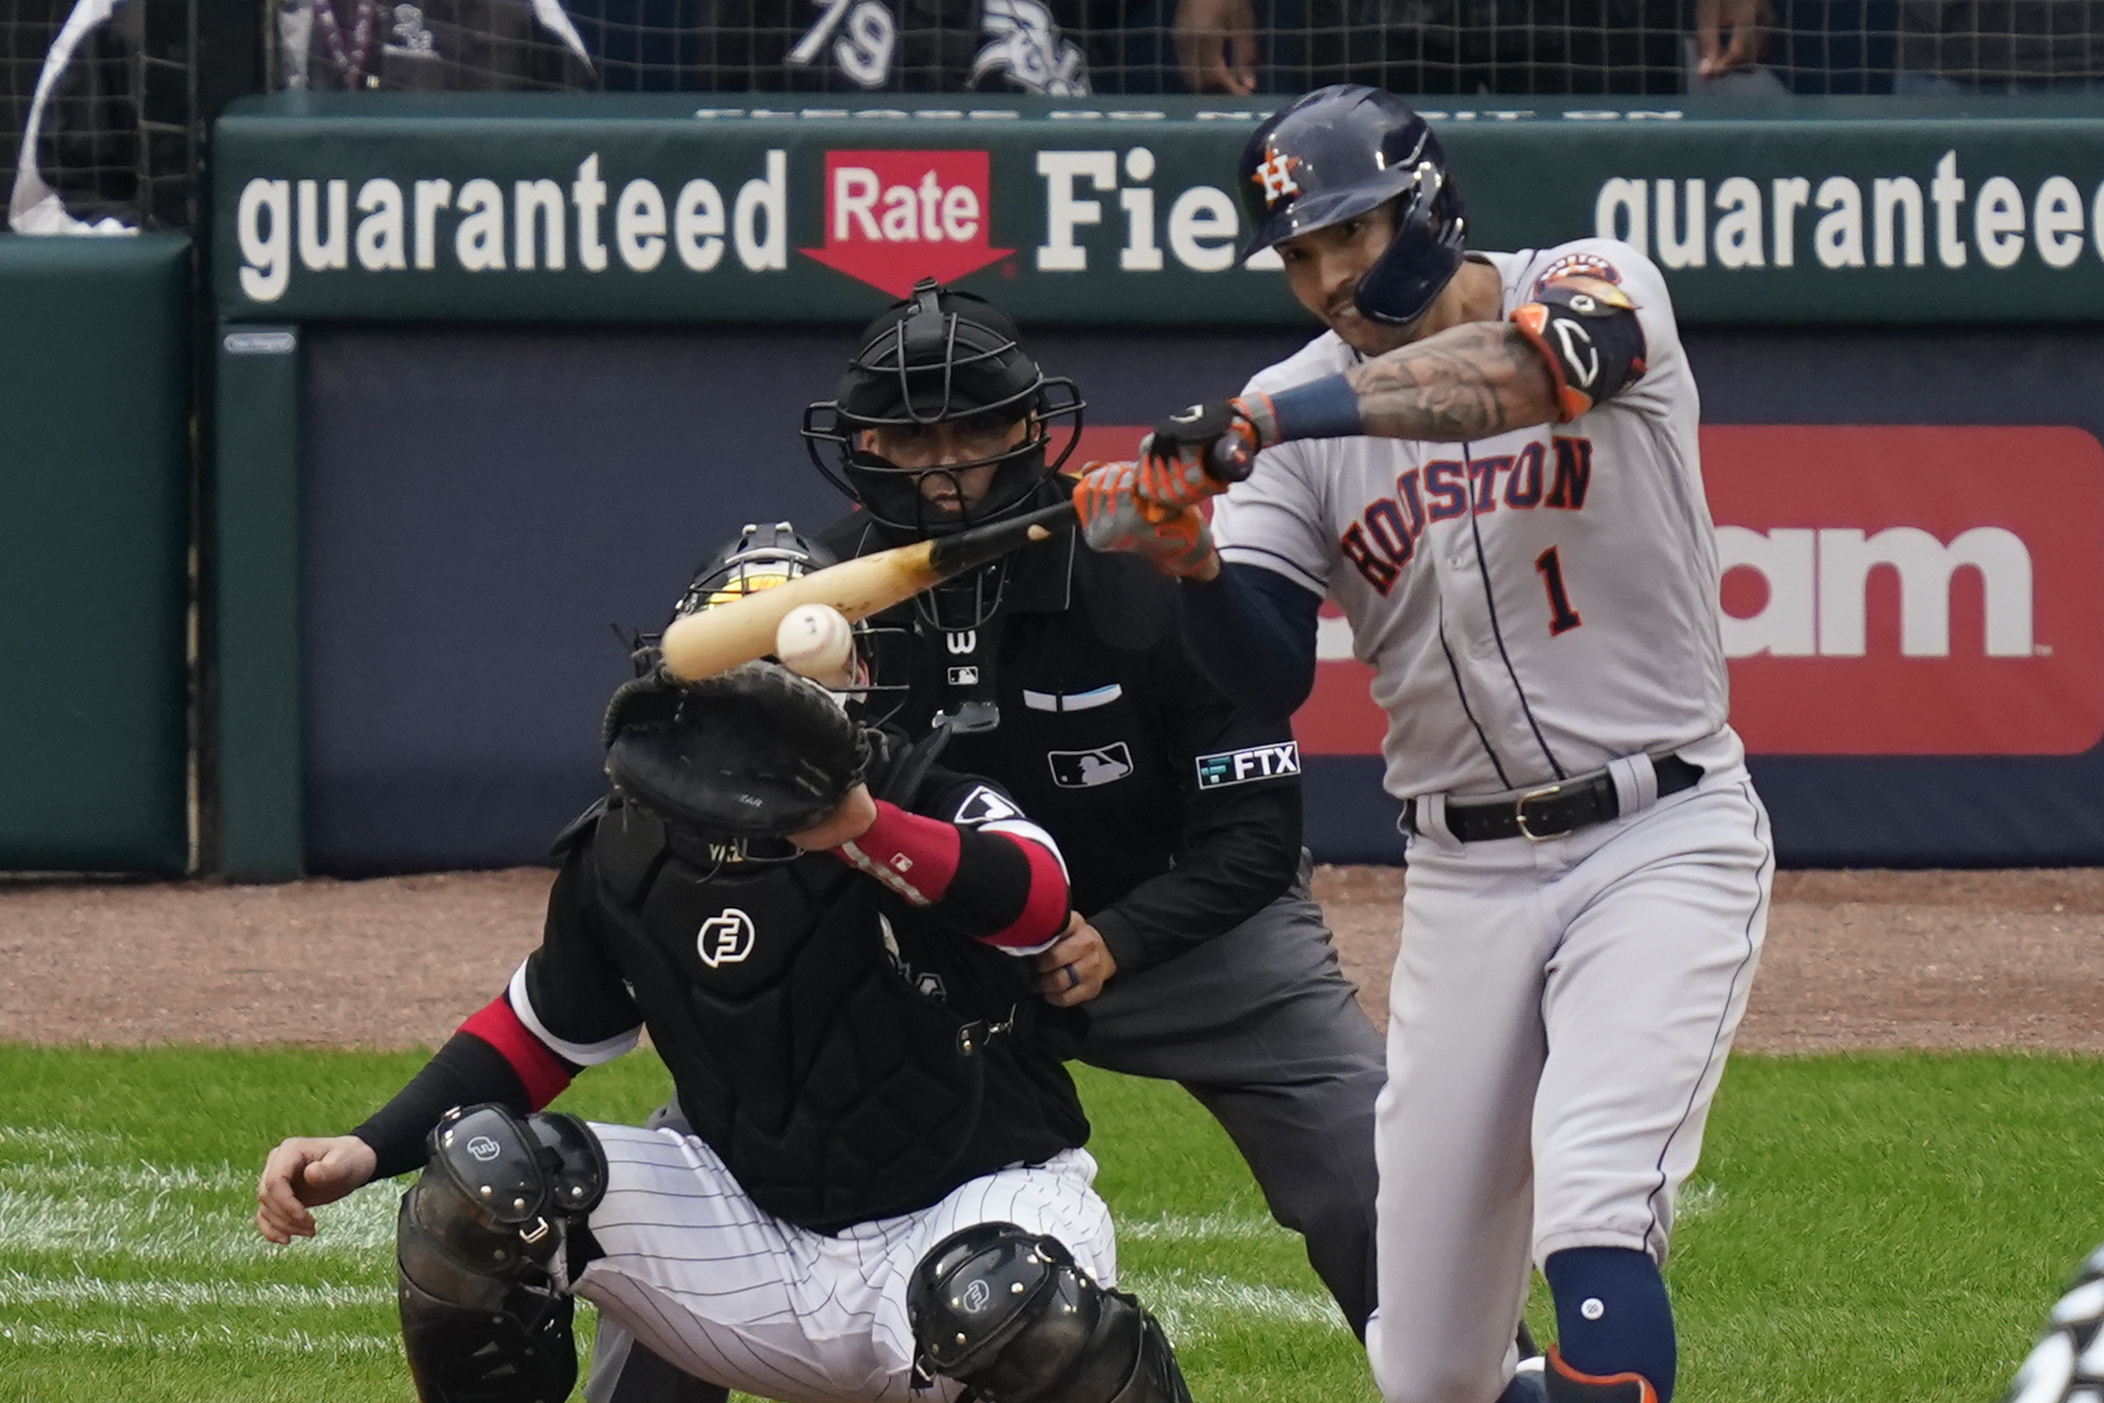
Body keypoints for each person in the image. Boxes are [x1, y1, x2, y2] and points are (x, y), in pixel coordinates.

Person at [590, 278, 1411, 1403]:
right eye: (910, 431)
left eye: (972, 425)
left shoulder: (1143, 570)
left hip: (1169, 928)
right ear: (859, 441)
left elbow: (1255, 835)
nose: (943, 463)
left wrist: (1120, 935)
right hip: (920, 942)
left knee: (1366, 1154)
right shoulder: (807, 598)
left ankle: (1484, 1376)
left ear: (1031, 427)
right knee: (720, 1154)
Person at [1073, 85, 1774, 1403]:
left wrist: (1267, 425)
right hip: (1461, 875)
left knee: (1595, 1198)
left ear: (1429, 199)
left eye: (1353, 231)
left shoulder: (1596, 279)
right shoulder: (1279, 410)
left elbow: (1527, 374)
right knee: (1437, 1362)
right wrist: (1193, 559)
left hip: (1660, 832)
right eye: (1301, 255)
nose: (1332, 276)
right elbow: (1269, 671)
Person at [255, 524, 1195, 1403]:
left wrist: (864, 830)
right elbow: (541, 1032)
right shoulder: (626, 846)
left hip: (971, 1218)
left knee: (1016, 1312)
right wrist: (371, 1146)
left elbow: (1037, 901)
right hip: (751, 1237)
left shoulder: (925, 795)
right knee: (482, 1181)